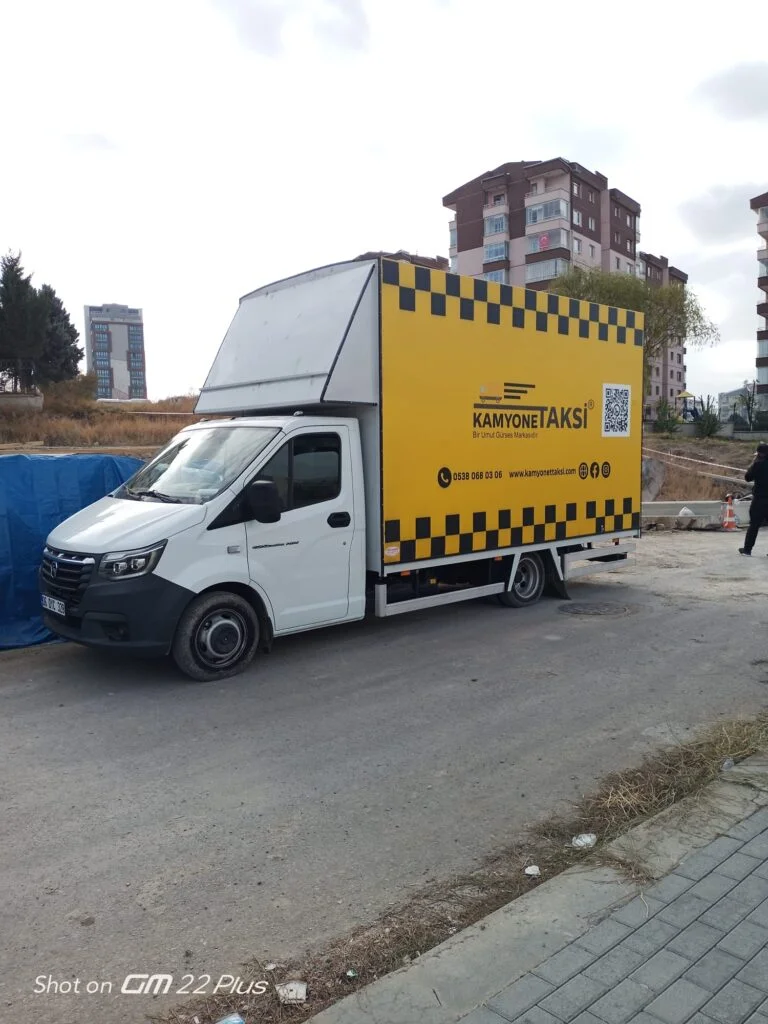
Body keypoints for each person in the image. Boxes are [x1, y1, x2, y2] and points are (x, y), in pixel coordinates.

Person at [738, 443, 768, 555]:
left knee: (754, 525)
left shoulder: (758, 464)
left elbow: (748, 477)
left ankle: (747, 550)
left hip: (760, 499)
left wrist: (754, 463)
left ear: (759, 454)